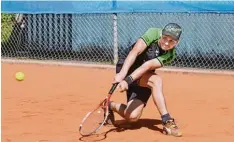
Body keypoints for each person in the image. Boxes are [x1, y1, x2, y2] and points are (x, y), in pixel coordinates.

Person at [106, 23, 182, 137]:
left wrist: (128, 81)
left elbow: (147, 66)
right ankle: (167, 120)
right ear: (161, 34)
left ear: (177, 43)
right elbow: (135, 51)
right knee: (156, 81)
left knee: (132, 117)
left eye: (172, 41)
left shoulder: (171, 54)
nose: (167, 43)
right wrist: (122, 74)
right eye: (165, 38)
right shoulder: (153, 33)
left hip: (143, 72)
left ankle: (109, 105)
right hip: (127, 66)